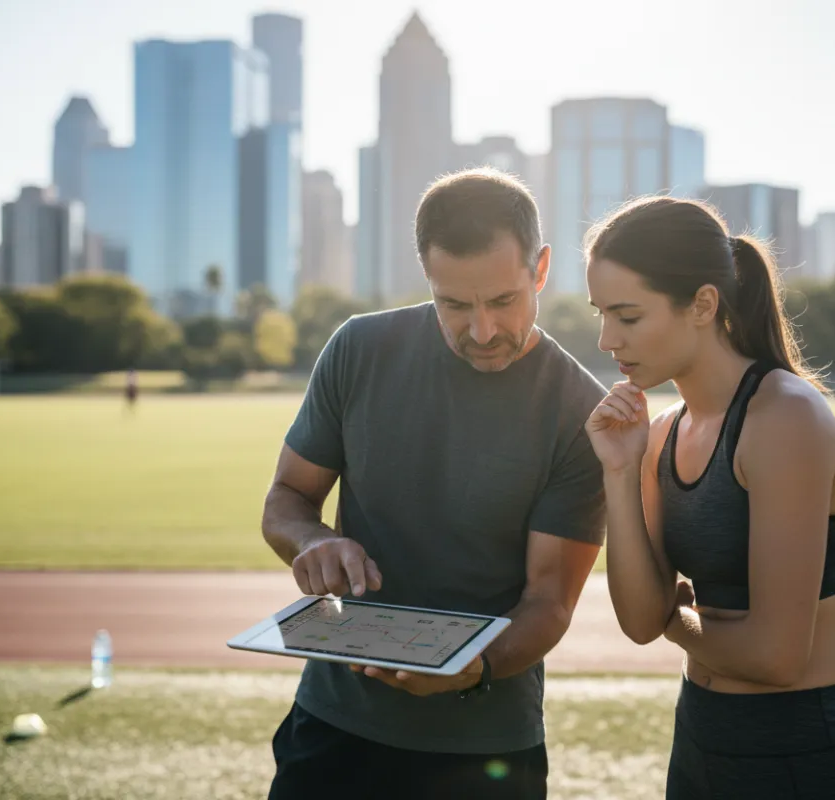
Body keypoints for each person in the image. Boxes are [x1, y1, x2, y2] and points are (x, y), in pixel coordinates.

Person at [260, 168, 607, 800]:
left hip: (485, 749)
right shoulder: (358, 348)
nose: (482, 330)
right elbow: (286, 500)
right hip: (334, 726)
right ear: (427, 277)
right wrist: (311, 542)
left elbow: (549, 602)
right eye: (454, 304)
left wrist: (469, 670)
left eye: (503, 301)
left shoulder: (582, 410)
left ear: (542, 269)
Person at [582, 196, 835, 798]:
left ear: (702, 304)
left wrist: (678, 619)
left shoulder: (784, 417)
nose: (605, 338)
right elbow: (638, 619)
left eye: (627, 316)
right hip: (698, 742)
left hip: (799, 756)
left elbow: (776, 657)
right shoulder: (662, 432)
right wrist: (620, 471)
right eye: (601, 314)